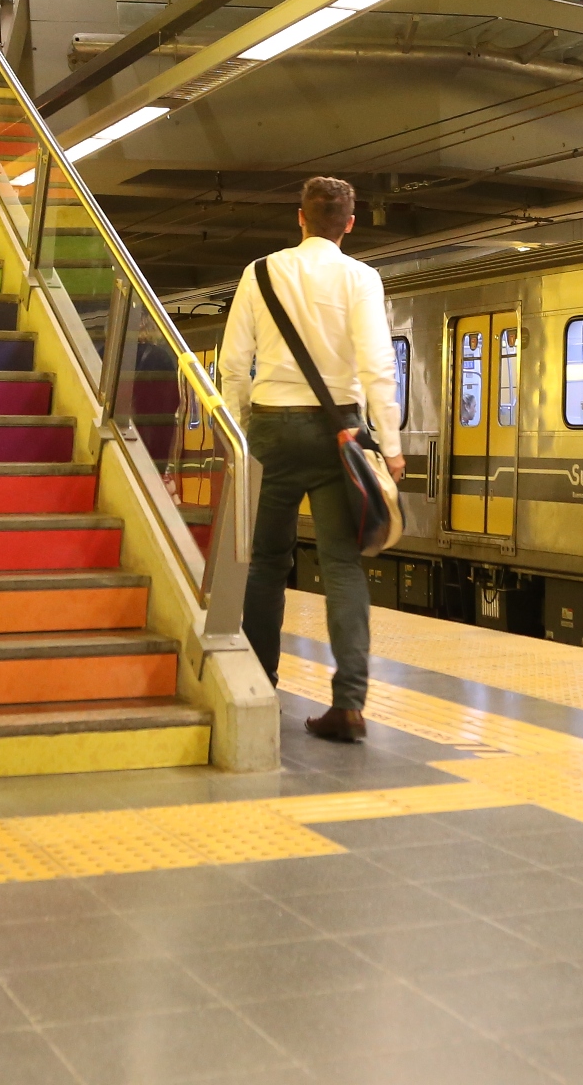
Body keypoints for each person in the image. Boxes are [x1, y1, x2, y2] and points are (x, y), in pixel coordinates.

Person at [217, 175, 403, 744]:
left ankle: (260, 689)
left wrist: (236, 431)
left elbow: (233, 361)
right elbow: (376, 365)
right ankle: (348, 705)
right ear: (350, 223)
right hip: (337, 433)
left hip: (272, 429)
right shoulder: (362, 279)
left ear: (299, 217)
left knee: (267, 564)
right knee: (342, 565)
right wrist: (390, 446)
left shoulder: (260, 272)